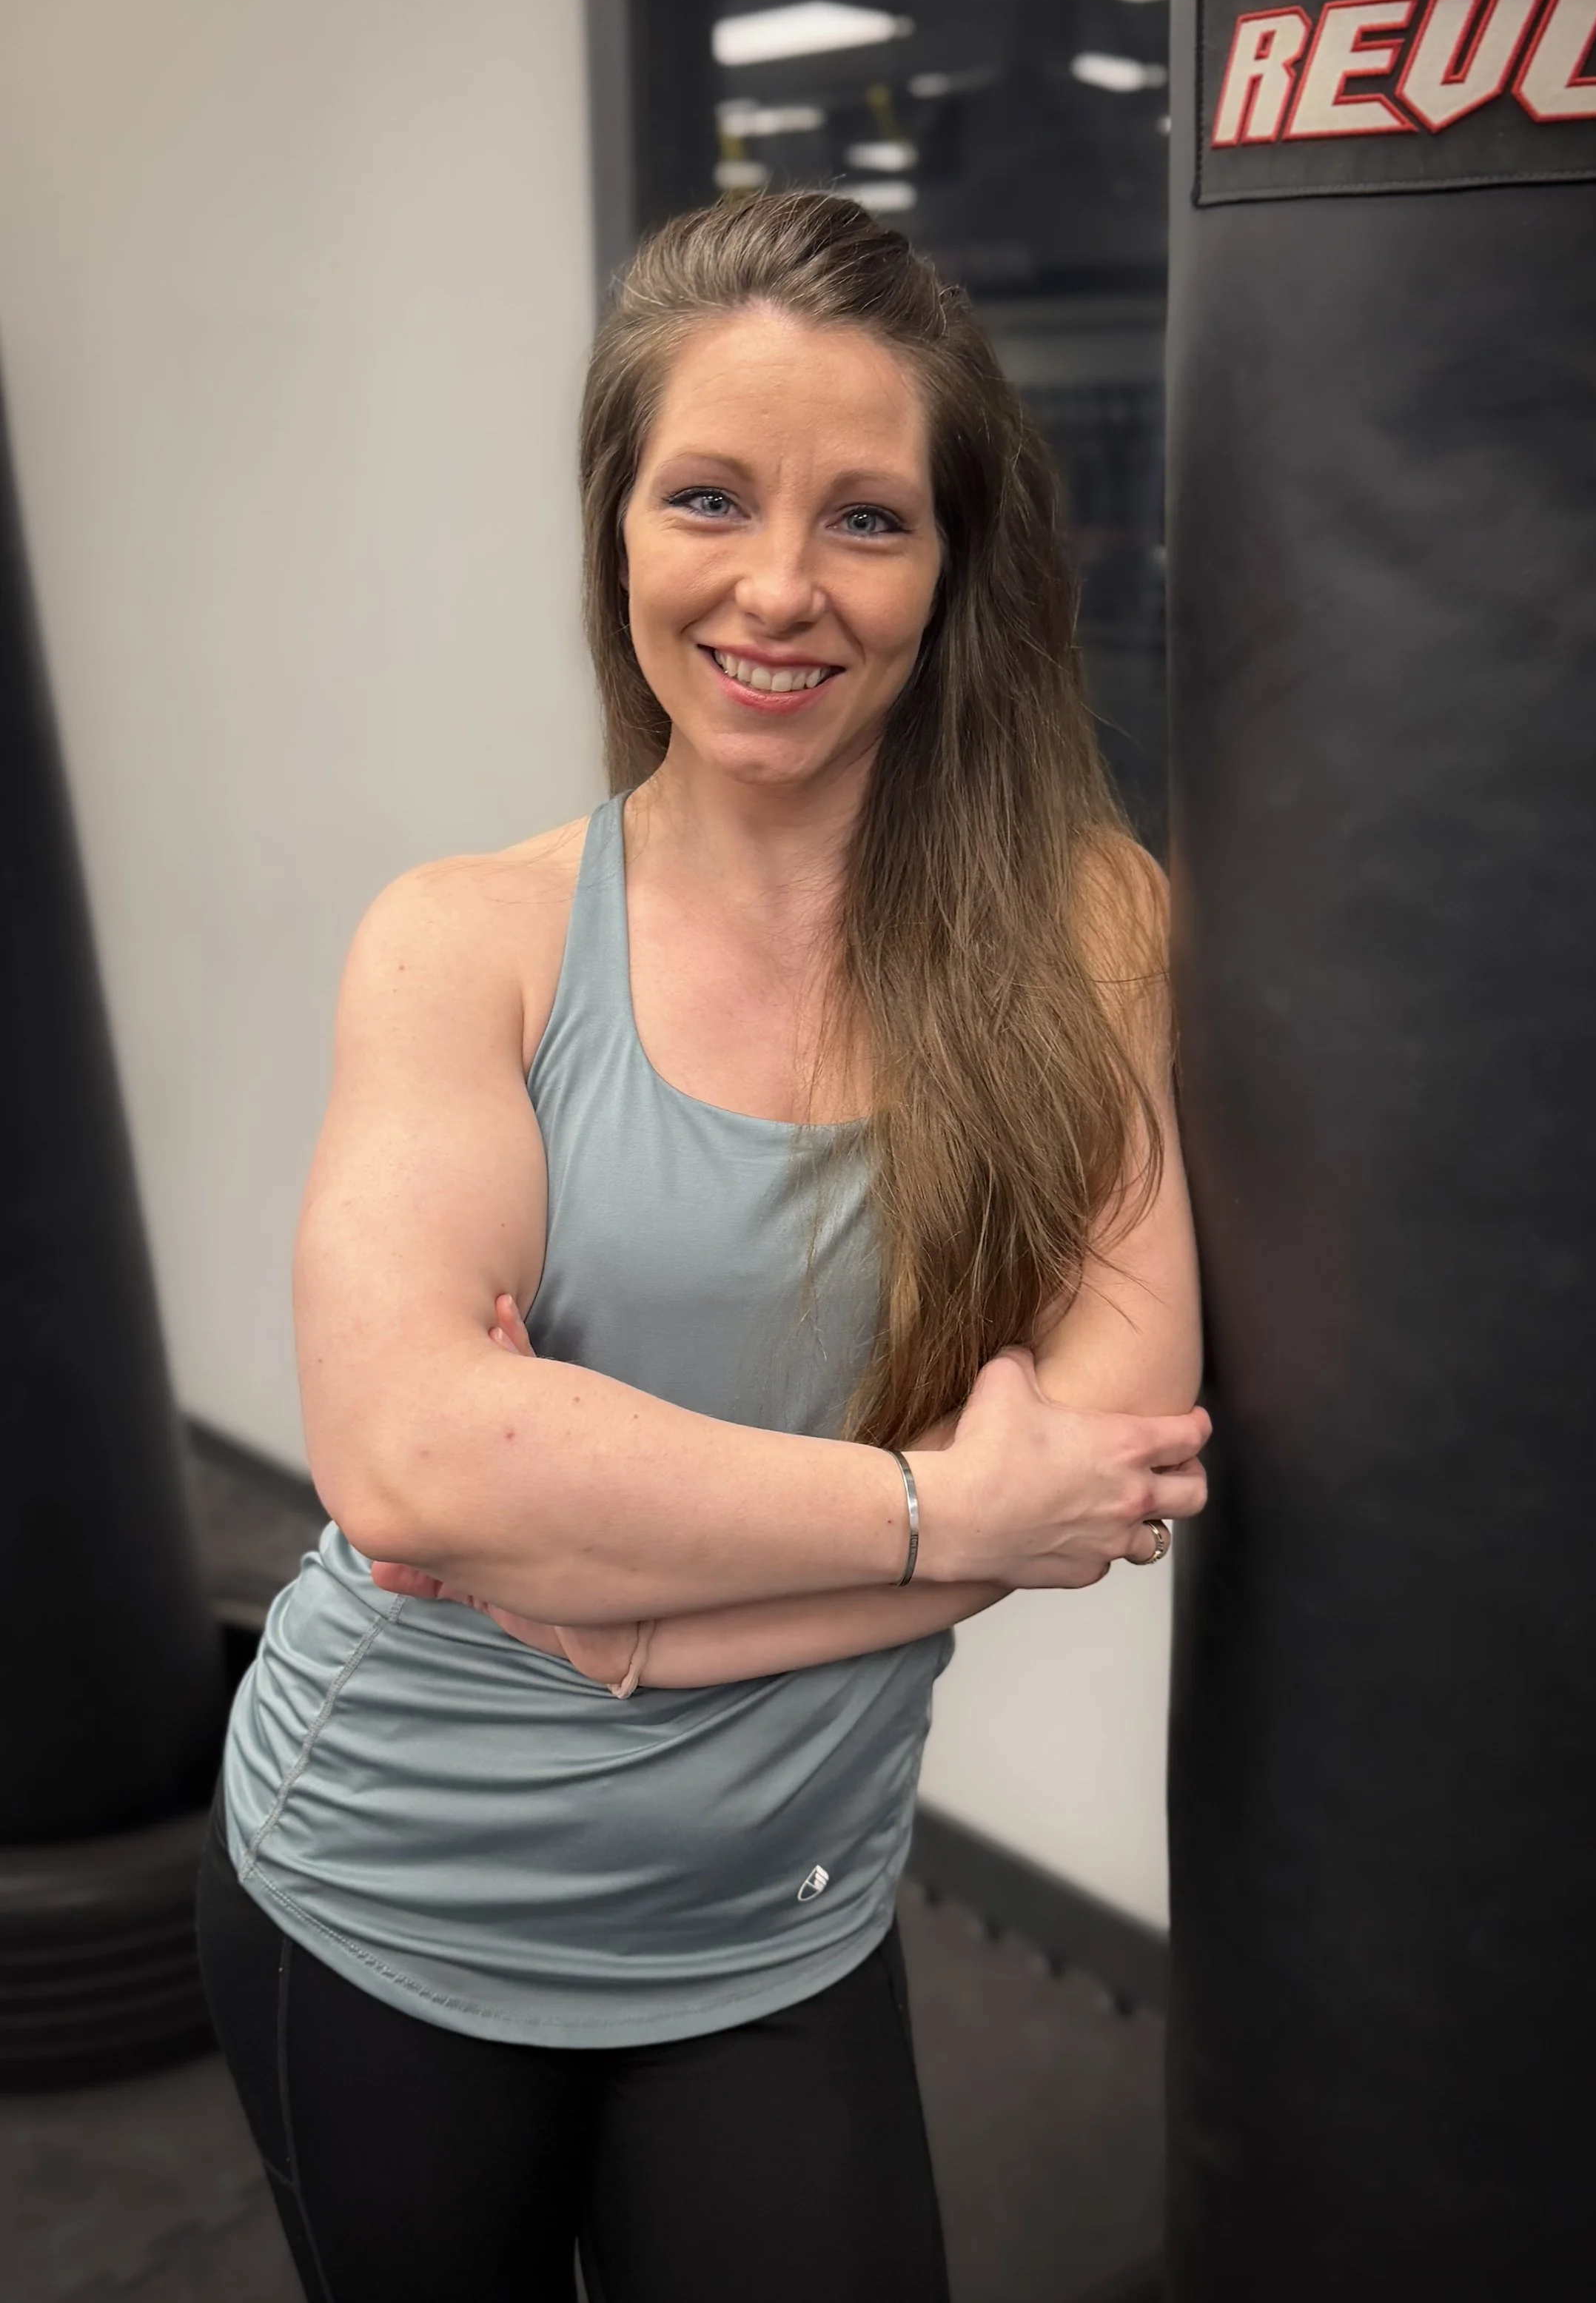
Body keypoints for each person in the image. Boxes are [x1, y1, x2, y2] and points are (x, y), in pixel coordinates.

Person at [196, 189, 1207, 2303]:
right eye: (710, 497)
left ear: (953, 565)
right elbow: (414, 1465)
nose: (777, 586)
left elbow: (1103, 1463)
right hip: (392, 1877)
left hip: (781, 1914)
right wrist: (942, 1507)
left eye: (866, 518)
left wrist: (639, 1603)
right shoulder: (466, 943)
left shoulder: (1086, 928)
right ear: (618, 530)